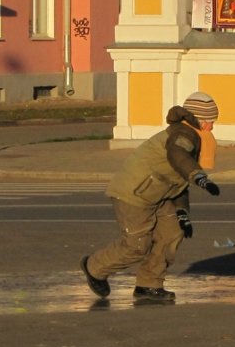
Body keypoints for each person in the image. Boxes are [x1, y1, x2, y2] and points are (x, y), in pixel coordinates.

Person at [81, 92, 221, 304]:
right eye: (207, 121)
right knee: (137, 245)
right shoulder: (183, 134)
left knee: (172, 232)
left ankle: (149, 284)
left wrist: (183, 213)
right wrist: (199, 177)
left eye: (212, 121)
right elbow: (178, 157)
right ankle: (94, 267)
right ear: (195, 119)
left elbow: (178, 180)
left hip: (158, 193)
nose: (210, 126)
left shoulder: (195, 136)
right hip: (133, 193)